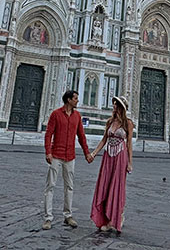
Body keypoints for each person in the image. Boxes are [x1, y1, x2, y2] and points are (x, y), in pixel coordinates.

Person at [42, 90, 93, 230]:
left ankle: (68, 216)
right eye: (75, 98)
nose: (77, 101)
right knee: (50, 186)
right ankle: (48, 218)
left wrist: (87, 153)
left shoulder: (77, 116)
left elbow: (81, 136)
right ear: (68, 100)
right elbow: (48, 134)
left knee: (69, 187)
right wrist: (48, 152)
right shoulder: (56, 114)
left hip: (70, 156)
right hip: (56, 155)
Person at [90, 96, 134, 234]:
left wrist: (130, 163)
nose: (113, 107)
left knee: (117, 186)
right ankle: (105, 216)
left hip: (121, 157)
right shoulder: (110, 122)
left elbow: (129, 144)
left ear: (122, 107)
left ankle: (115, 218)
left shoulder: (128, 123)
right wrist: (94, 153)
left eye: (116, 105)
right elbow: (104, 140)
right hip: (108, 156)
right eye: (113, 104)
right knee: (105, 185)